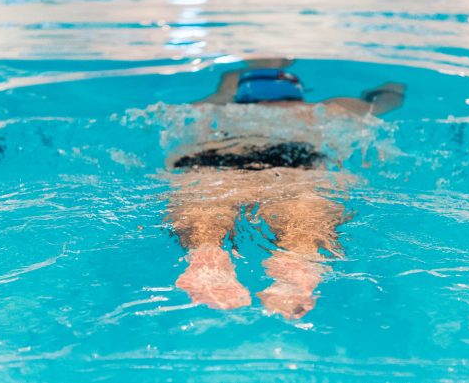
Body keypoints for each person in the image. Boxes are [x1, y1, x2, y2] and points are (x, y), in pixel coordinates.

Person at [165, 59, 404, 319]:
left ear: (241, 94)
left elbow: (225, 88)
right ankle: (298, 266)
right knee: (304, 212)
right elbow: (384, 103)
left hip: (215, 164)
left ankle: (205, 258)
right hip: (293, 165)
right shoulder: (329, 108)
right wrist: (392, 87)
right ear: (298, 93)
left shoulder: (213, 108)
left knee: (203, 208)